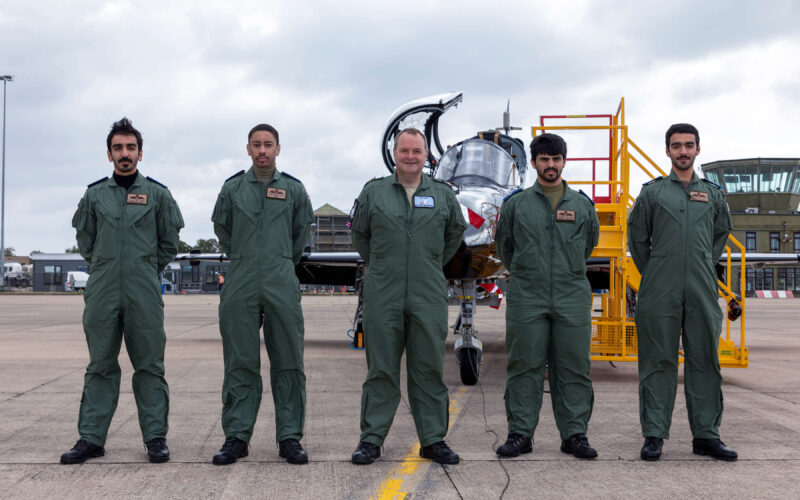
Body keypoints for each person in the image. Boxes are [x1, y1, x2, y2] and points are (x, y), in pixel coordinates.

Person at [62, 118, 184, 464]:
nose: (125, 154)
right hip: (102, 290)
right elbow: (85, 240)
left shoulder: (158, 195)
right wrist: (107, 265)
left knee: (149, 365)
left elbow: (168, 243)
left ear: (140, 154)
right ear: (109, 154)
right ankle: (91, 438)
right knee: (100, 364)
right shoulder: (94, 195)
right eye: (118, 148)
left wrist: (142, 267)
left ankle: (156, 438)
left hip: (143, 290)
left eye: (131, 147)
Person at [348, 128, 467, 465]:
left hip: (427, 292)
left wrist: (426, 262)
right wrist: (387, 263)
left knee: (428, 368)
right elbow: (360, 235)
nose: (410, 157)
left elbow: (454, 234)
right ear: (394, 153)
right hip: (383, 291)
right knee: (381, 370)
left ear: (426, 155)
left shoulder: (442, 195)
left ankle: (433, 440)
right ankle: (371, 440)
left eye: (417, 151)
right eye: (405, 151)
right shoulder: (374, 192)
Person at [628, 123, 736, 461]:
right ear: (668, 151)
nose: (683, 151)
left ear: (698, 150)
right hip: (659, 288)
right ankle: (654, 435)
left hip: (702, 287)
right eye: (676, 146)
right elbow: (638, 241)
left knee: (705, 359)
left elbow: (720, 235)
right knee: (657, 361)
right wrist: (661, 269)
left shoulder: (714, 195)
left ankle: (706, 435)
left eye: (689, 145)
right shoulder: (652, 194)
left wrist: (700, 262)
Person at [211, 124, 314, 465]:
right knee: (240, 362)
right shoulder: (232, 189)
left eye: (268, 145)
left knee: (288, 361)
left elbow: (300, 235)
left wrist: (280, 259)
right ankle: (237, 437)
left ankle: (289, 437)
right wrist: (243, 255)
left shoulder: (294, 190)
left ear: (278, 149)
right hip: (240, 280)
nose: (262, 150)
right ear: (248, 148)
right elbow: (222, 230)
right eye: (256, 145)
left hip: (280, 279)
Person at [494, 133, 600, 460]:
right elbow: (504, 247)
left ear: (564, 162)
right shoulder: (517, 204)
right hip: (528, 295)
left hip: (571, 294)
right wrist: (528, 272)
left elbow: (589, 244)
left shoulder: (581, 205)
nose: (551, 165)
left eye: (556, 159)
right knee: (525, 365)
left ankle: (574, 435)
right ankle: (520, 434)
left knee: (574, 366)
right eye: (544, 159)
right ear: (535, 162)